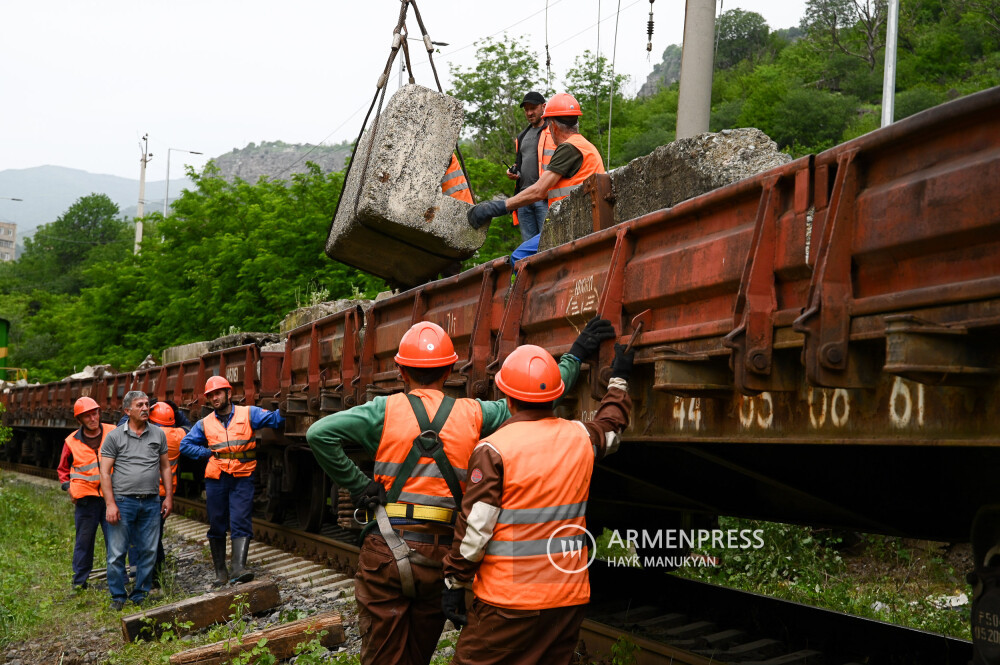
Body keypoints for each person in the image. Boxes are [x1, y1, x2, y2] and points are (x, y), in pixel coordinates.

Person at [305, 317, 615, 665]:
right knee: (419, 653)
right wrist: (574, 356)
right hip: (439, 557)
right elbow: (533, 397)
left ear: (400, 372)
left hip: (387, 554)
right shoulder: (475, 413)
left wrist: (361, 486)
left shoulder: (384, 410)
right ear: (451, 369)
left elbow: (319, 434)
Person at [441, 342, 634, 665]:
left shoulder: (494, 449)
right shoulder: (580, 437)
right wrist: (620, 379)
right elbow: (612, 428)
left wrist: (455, 581)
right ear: (555, 396)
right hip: (567, 598)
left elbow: (476, 530)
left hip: (508, 602)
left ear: (507, 397)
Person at [467, 92, 606, 260]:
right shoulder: (583, 144)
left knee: (519, 258)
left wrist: (497, 207)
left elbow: (540, 190)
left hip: (574, 222)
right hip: (581, 218)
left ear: (552, 126)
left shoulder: (569, 147)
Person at [179, 376, 284, 586]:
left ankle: (238, 568)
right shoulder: (204, 423)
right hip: (216, 479)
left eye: (218, 393)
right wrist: (206, 453)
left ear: (229, 393)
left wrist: (286, 408)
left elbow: (275, 420)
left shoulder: (248, 413)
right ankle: (221, 572)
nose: (214, 398)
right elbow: (185, 445)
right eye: (211, 396)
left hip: (242, 477)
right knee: (217, 523)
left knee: (241, 520)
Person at [99, 391, 173, 610]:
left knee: (149, 550)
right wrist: (110, 504)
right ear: (127, 411)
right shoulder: (115, 437)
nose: (145, 408)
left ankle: (140, 593)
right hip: (123, 501)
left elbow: (166, 466)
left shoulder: (158, 434)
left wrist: (168, 496)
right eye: (139, 405)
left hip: (151, 502)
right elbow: (104, 472)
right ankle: (118, 596)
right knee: (117, 552)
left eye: (147, 404)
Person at [57, 396, 117, 591]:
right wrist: (69, 488)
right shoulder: (71, 441)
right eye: (87, 416)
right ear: (79, 420)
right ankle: (79, 582)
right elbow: (62, 470)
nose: (93, 418)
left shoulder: (113, 432)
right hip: (86, 501)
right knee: (84, 542)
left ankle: (118, 580)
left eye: (95, 413)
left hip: (111, 498)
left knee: (115, 541)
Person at [507, 91, 556, 242]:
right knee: (528, 245)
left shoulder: (554, 131)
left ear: (543, 107)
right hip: (524, 198)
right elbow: (519, 163)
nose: (529, 112)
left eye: (533, 108)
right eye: (526, 109)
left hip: (544, 196)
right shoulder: (522, 136)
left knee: (548, 242)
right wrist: (513, 171)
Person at [146, 402, 185, 588]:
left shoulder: (145, 434)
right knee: (155, 536)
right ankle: (156, 576)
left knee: (145, 536)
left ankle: (153, 578)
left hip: (145, 493)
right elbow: (189, 428)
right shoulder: (177, 436)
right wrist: (178, 413)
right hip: (163, 495)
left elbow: (123, 424)